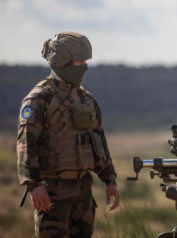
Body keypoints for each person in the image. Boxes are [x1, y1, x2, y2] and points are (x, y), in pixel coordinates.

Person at [17, 32, 120, 238]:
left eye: (85, 61)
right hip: (53, 192)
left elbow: (98, 142)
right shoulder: (39, 99)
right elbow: (27, 144)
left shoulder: (86, 99)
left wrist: (110, 181)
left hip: (83, 190)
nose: (84, 66)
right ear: (60, 62)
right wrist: (34, 185)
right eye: (78, 61)